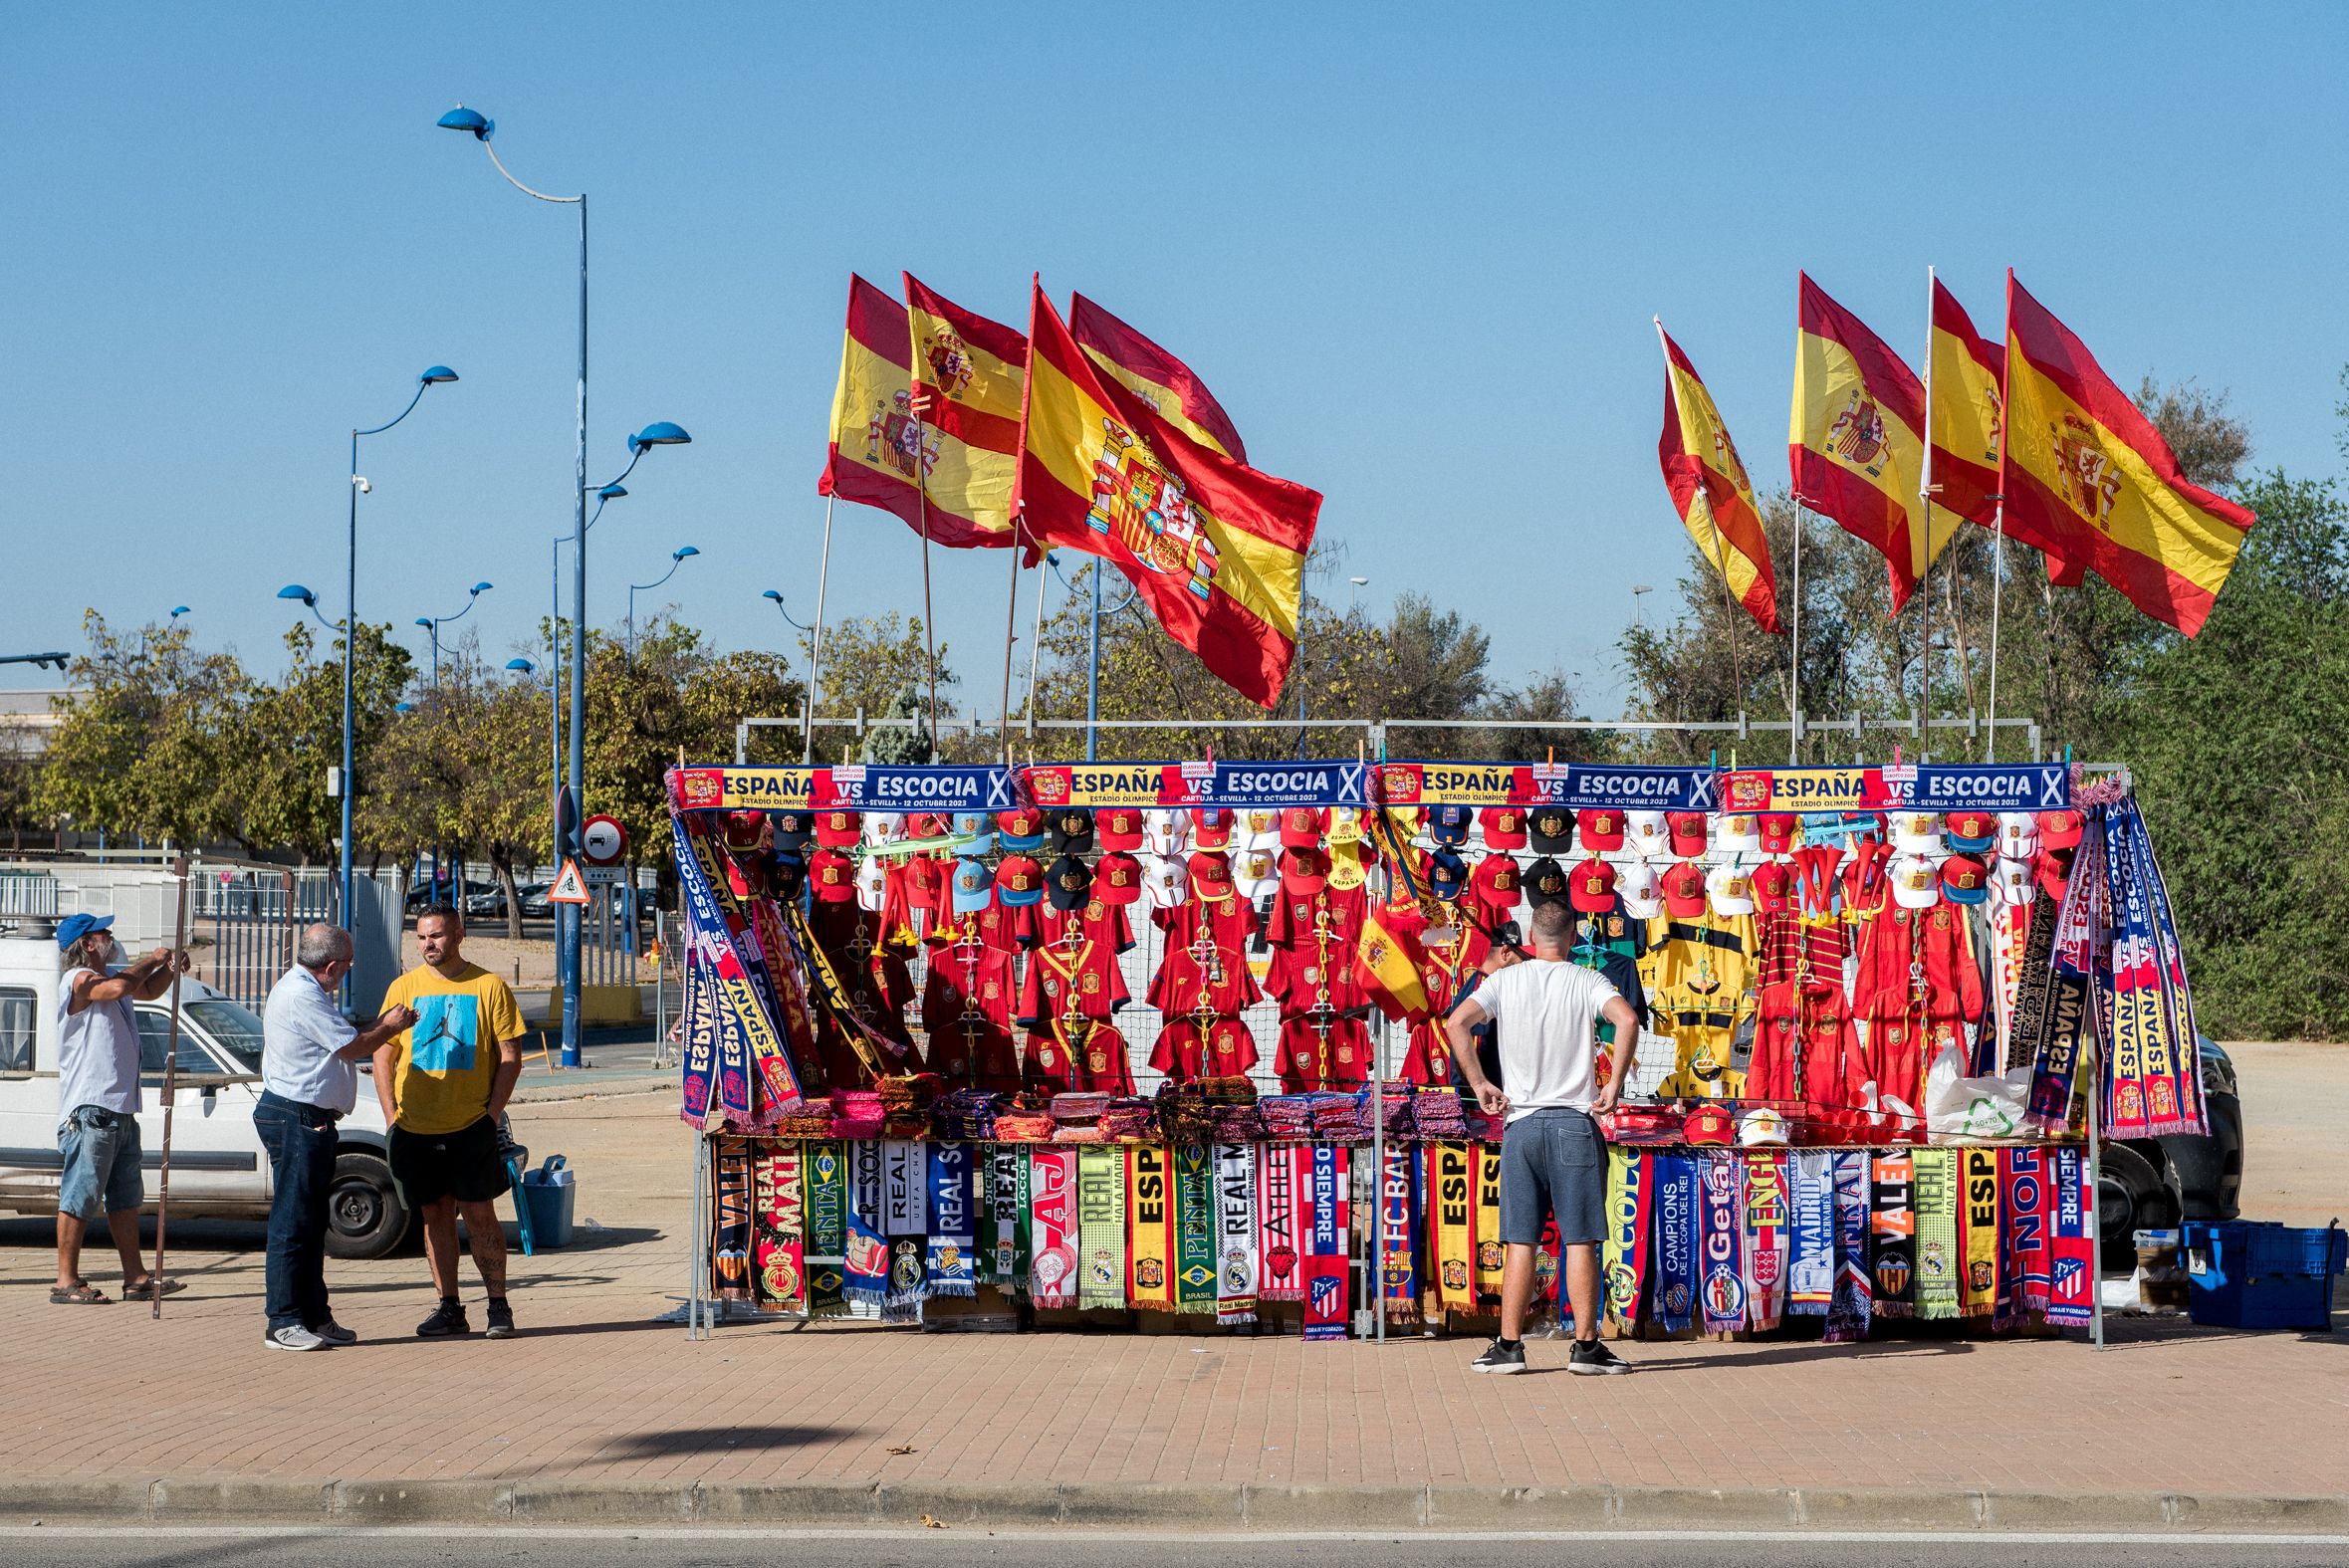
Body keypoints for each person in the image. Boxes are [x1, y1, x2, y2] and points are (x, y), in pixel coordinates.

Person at [1447, 899, 1642, 1376]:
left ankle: (1510, 1346)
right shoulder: (1587, 979)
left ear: (1530, 938)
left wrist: (1479, 1084)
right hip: (1574, 1122)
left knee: (1520, 1241)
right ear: (1573, 938)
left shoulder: (1505, 979)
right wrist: (1613, 1084)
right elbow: (1628, 1019)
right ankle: (1586, 1348)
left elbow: (1455, 1023)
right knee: (1580, 1241)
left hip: (1522, 1123)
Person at [255, 923, 418, 1351]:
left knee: (311, 1222)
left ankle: (313, 1316)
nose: (347, 972)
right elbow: (352, 1047)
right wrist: (391, 1027)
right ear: (330, 966)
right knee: (293, 1223)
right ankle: (283, 1320)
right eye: (347, 966)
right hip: (295, 1115)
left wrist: (381, 1022)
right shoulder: (302, 995)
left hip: (308, 1116)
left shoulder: (308, 990)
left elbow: (345, 1034)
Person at [373, 904, 528, 1339]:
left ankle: (498, 1305)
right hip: (414, 1128)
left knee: (480, 1214)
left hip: (470, 1127)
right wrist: (390, 1117)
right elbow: (383, 1053)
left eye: (437, 936)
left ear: (459, 935)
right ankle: (448, 1306)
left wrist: (491, 1115)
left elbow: (510, 1057)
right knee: (434, 1214)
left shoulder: (488, 986)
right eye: (421, 937)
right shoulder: (403, 988)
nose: (428, 945)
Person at [51, 913, 187, 1305]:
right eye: (103, 932)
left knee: (125, 1197)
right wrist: (154, 957)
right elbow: (114, 989)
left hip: (119, 1106)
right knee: (80, 1194)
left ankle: (135, 1276)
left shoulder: (112, 976)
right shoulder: (78, 979)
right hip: (90, 1108)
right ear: (87, 944)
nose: (111, 935)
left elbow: (147, 990)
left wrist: (170, 968)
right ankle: (65, 1279)